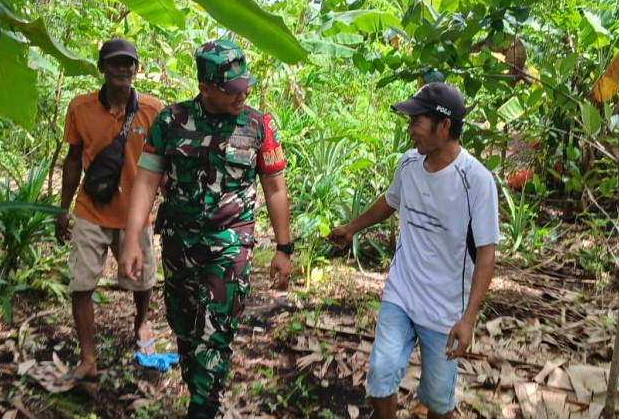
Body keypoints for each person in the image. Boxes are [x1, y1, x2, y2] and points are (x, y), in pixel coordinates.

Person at [117, 38, 293, 419]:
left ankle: (203, 407)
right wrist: (133, 239)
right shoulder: (171, 122)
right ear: (206, 88)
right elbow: (146, 182)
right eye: (232, 90)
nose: (242, 95)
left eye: (245, 86)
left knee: (214, 333)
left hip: (231, 244)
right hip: (179, 244)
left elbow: (275, 187)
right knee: (184, 327)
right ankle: (199, 389)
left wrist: (284, 247)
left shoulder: (258, 124)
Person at [328, 82, 500, 419]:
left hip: (446, 309)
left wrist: (468, 319)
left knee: (437, 402)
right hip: (402, 294)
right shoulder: (409, 164)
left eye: (416, 122)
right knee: (380, 372)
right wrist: (351, 228)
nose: (410, 131)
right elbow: (390, 202)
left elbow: (486, 255)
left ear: (444, 125)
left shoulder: (475, 181)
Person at [55, 37, 163, 385]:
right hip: (91, 210)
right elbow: (73, 160)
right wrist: (63, 208)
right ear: (101, 67)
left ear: (136, 69)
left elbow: (164, 163)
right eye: (114, 62)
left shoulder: (152, 110)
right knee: (82, 283)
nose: (122, 68)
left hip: (136, 214)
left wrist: (168, 203)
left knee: (143, 281)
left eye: (128, 63)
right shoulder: (81, 108)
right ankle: (88, 359)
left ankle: (141, 322)